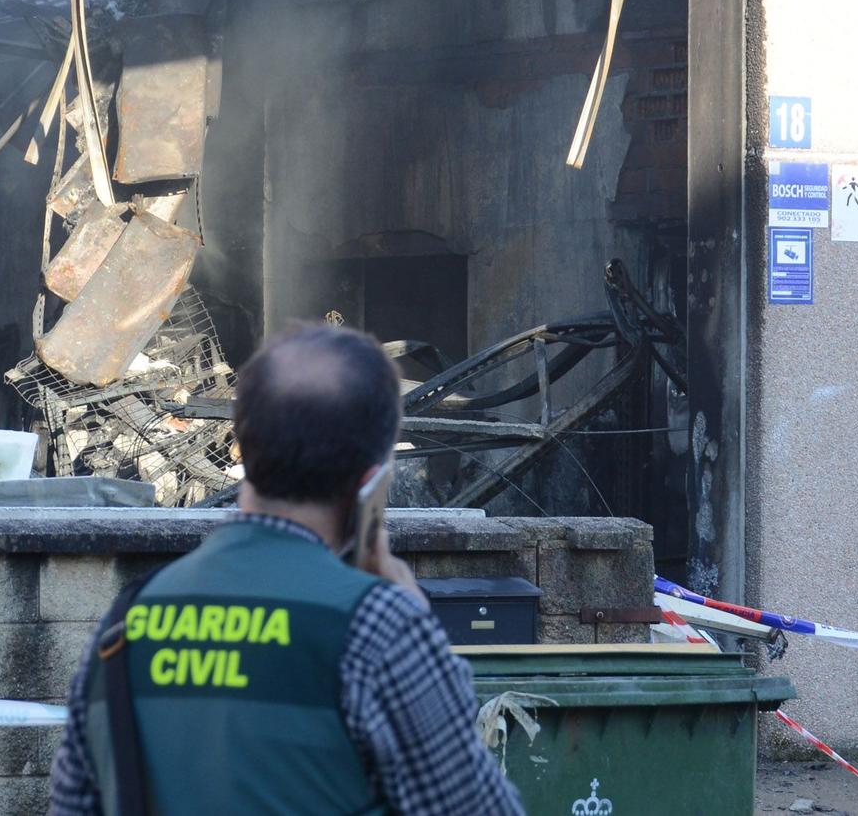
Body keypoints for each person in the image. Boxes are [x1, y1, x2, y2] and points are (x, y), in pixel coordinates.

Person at [49, 324, 525, 816]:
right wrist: (414, 620)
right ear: (373, 480)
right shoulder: (380, 627)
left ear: (243, 445)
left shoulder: (124, 624)